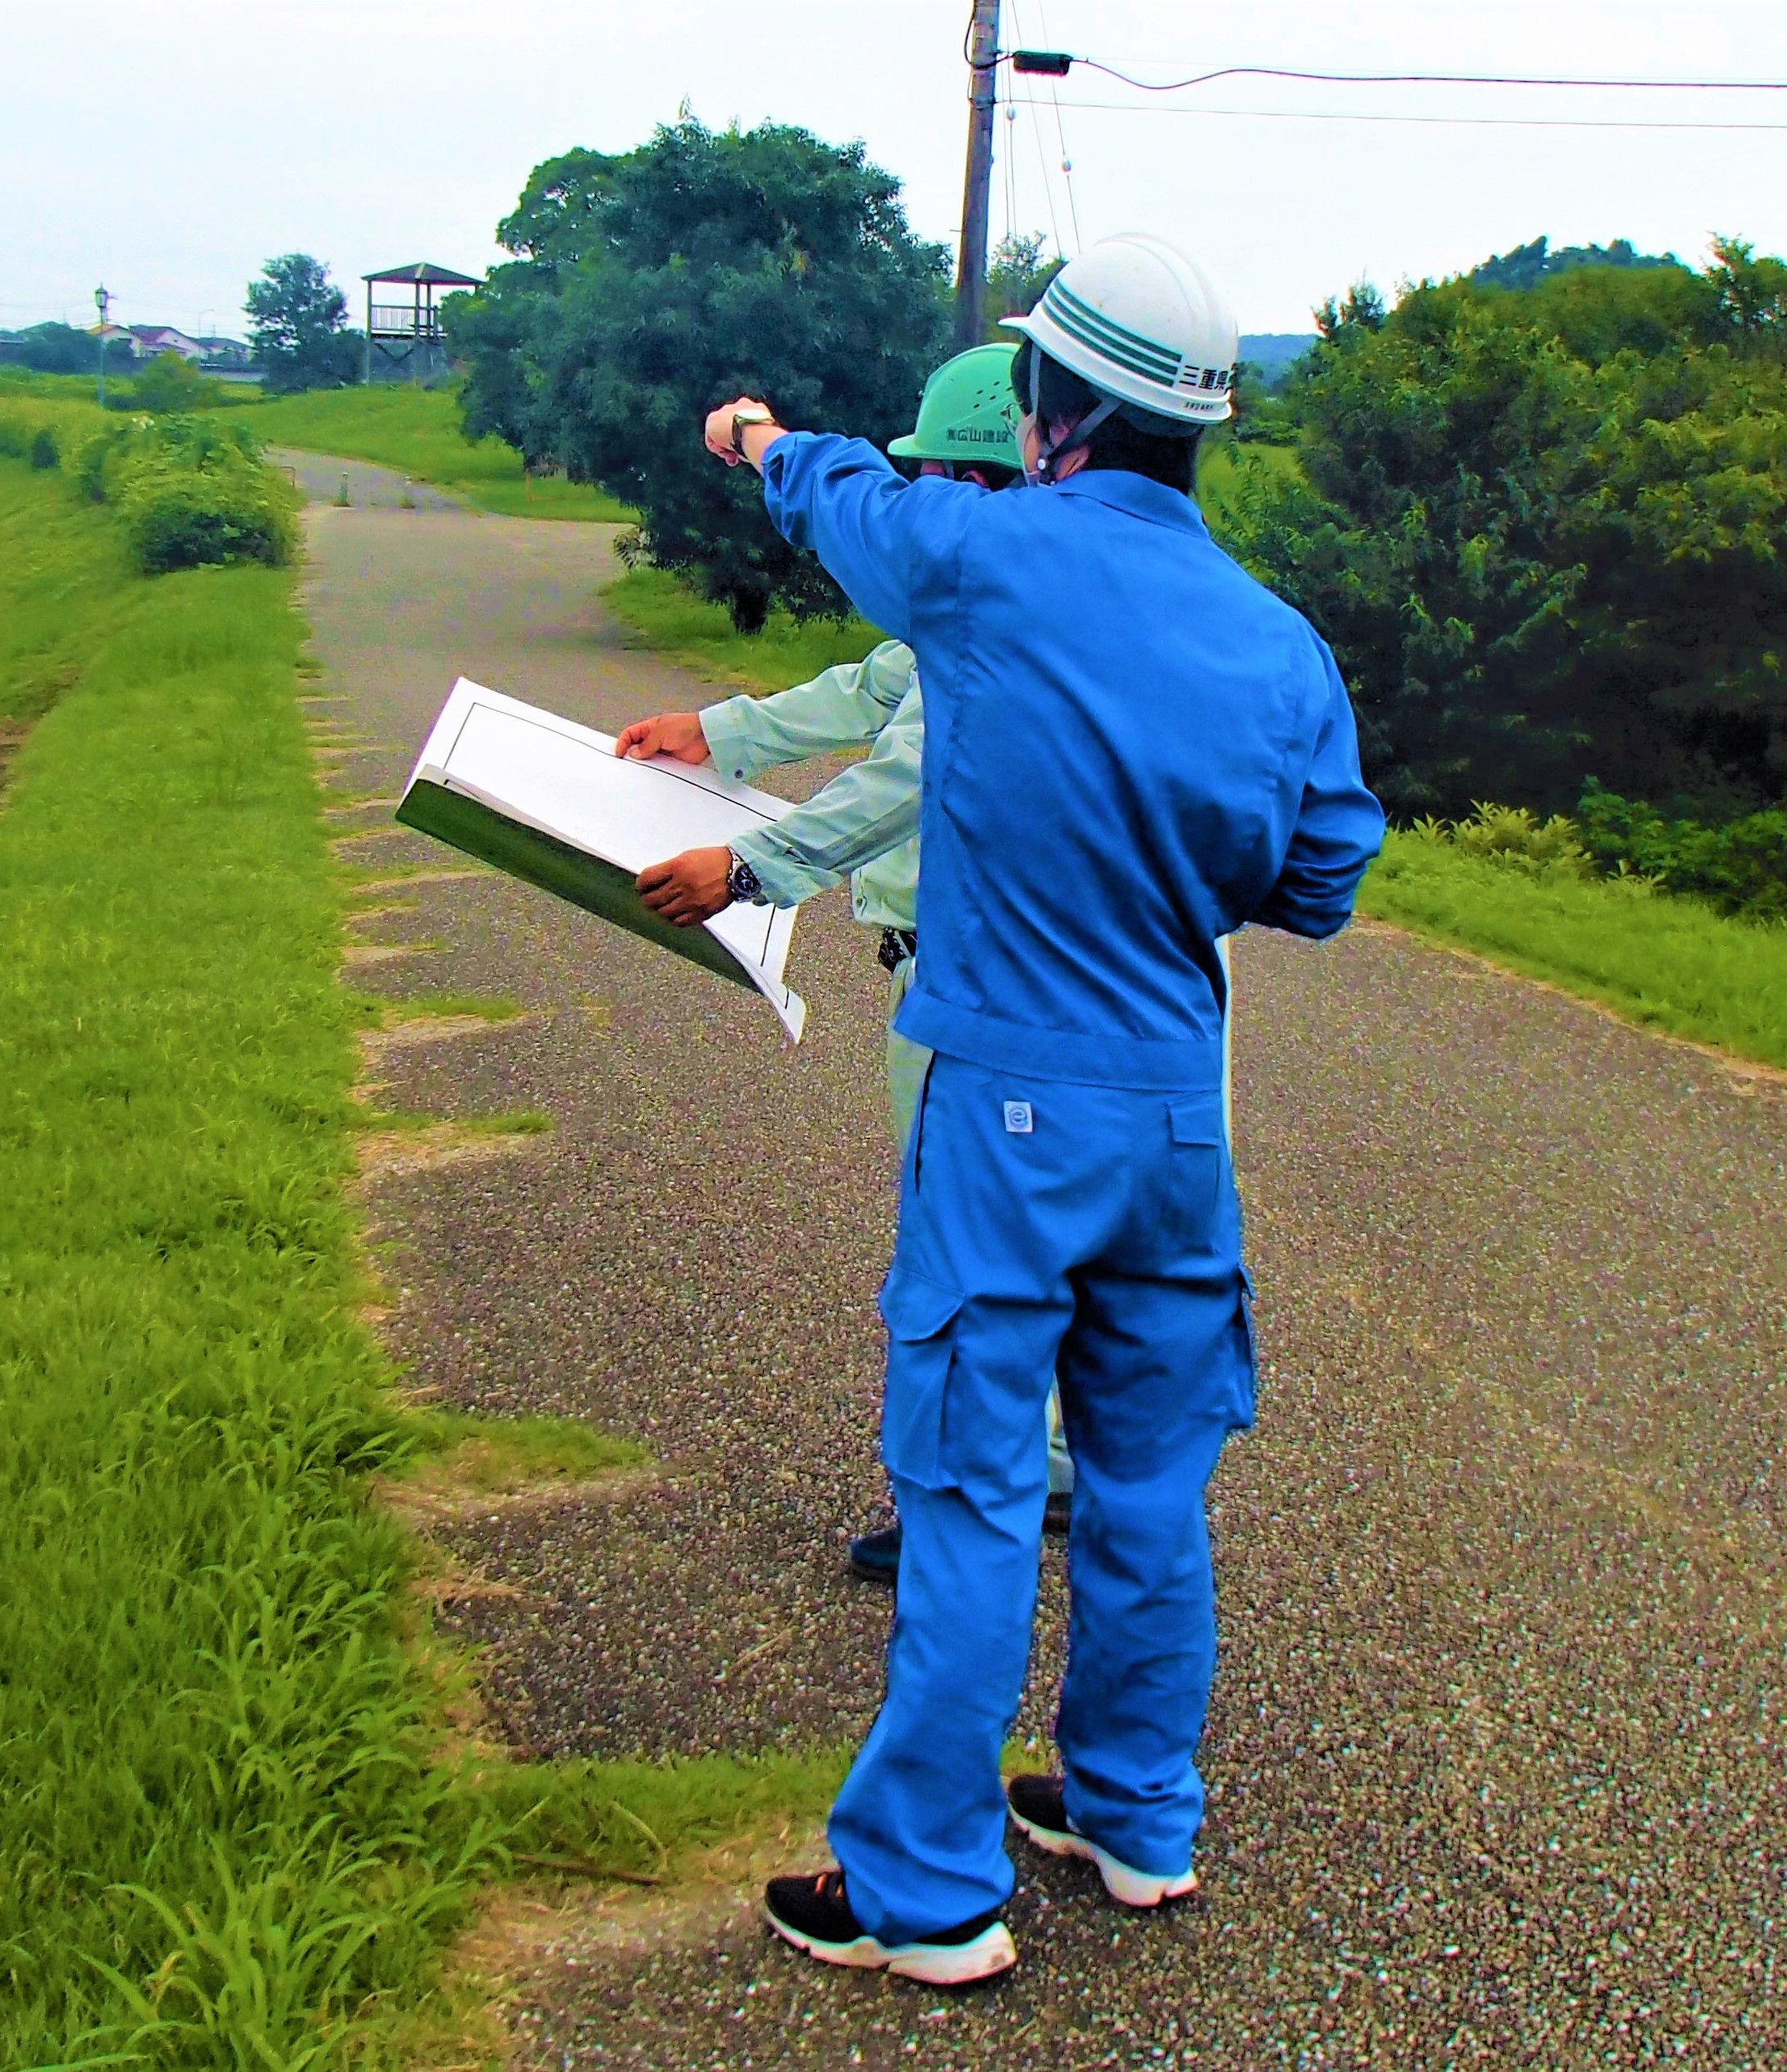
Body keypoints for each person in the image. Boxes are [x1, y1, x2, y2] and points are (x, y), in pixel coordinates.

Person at [702, 232, 1385, 1988]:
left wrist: (760, 437)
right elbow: (1319, 884)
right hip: (1178, 1122)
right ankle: (1133, 1815)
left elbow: (841, 502)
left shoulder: (985, 558)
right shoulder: (1281, 639)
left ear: (1049, 406)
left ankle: (926, 1894)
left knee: (975, 1485)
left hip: (1007, 1098)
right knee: (1151, 1486)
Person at [612, 345, 1073, 1587]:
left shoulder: (992, 619)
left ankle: (970, 1501)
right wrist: (716, 730)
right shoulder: (1004, 601)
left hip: (971, 984)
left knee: (957, 1250)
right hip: (1023, 976)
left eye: (931, 474)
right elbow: (867, 687)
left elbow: (903, 774)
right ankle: (1049, 1463)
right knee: (1032, 1239)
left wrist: (752, 867)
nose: (914, 500)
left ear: (980, 482)